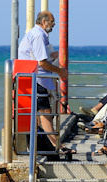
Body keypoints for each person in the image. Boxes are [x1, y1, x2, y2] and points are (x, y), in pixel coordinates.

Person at [18, 11, 70, 154]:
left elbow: (38, 57)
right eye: (52, 21)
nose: (53, 24)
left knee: (41, 113)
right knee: (45, 112)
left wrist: (51, 55)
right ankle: (55, 145)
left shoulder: (37, 34)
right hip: (36, 78)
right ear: (44, 22)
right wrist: (59, 71)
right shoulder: (38, 35)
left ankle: (47, 144)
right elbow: (41, 63)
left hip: (34, 78)